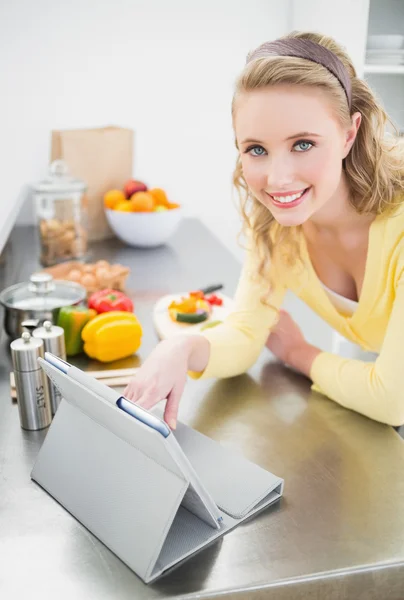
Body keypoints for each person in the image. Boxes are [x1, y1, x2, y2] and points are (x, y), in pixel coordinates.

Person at [124, 31, 404, 429]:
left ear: (349, 134)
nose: (277, 179)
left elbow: (393, 400)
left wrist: (298, 353)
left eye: (303, 144)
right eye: (256, 149)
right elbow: (244, 333)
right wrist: (182, 349)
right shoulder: (276, 229)